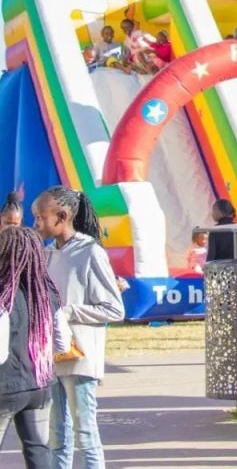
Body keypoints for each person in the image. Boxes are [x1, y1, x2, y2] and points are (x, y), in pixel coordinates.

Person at [34, 186, 125, 469]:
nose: (36, 223)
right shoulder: (47, 254)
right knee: (57, 436)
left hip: (80, 359)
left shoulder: (90, 252)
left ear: (62, 216)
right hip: (52, 358)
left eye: (40, 217)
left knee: (85, 434)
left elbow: (114, 308)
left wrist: (68, 312)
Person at [0, 226, 69, 469]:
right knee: (38, 448)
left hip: (5, 386)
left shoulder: (3, 293)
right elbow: (62, 341)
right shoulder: (46, 291)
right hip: (39, 385)